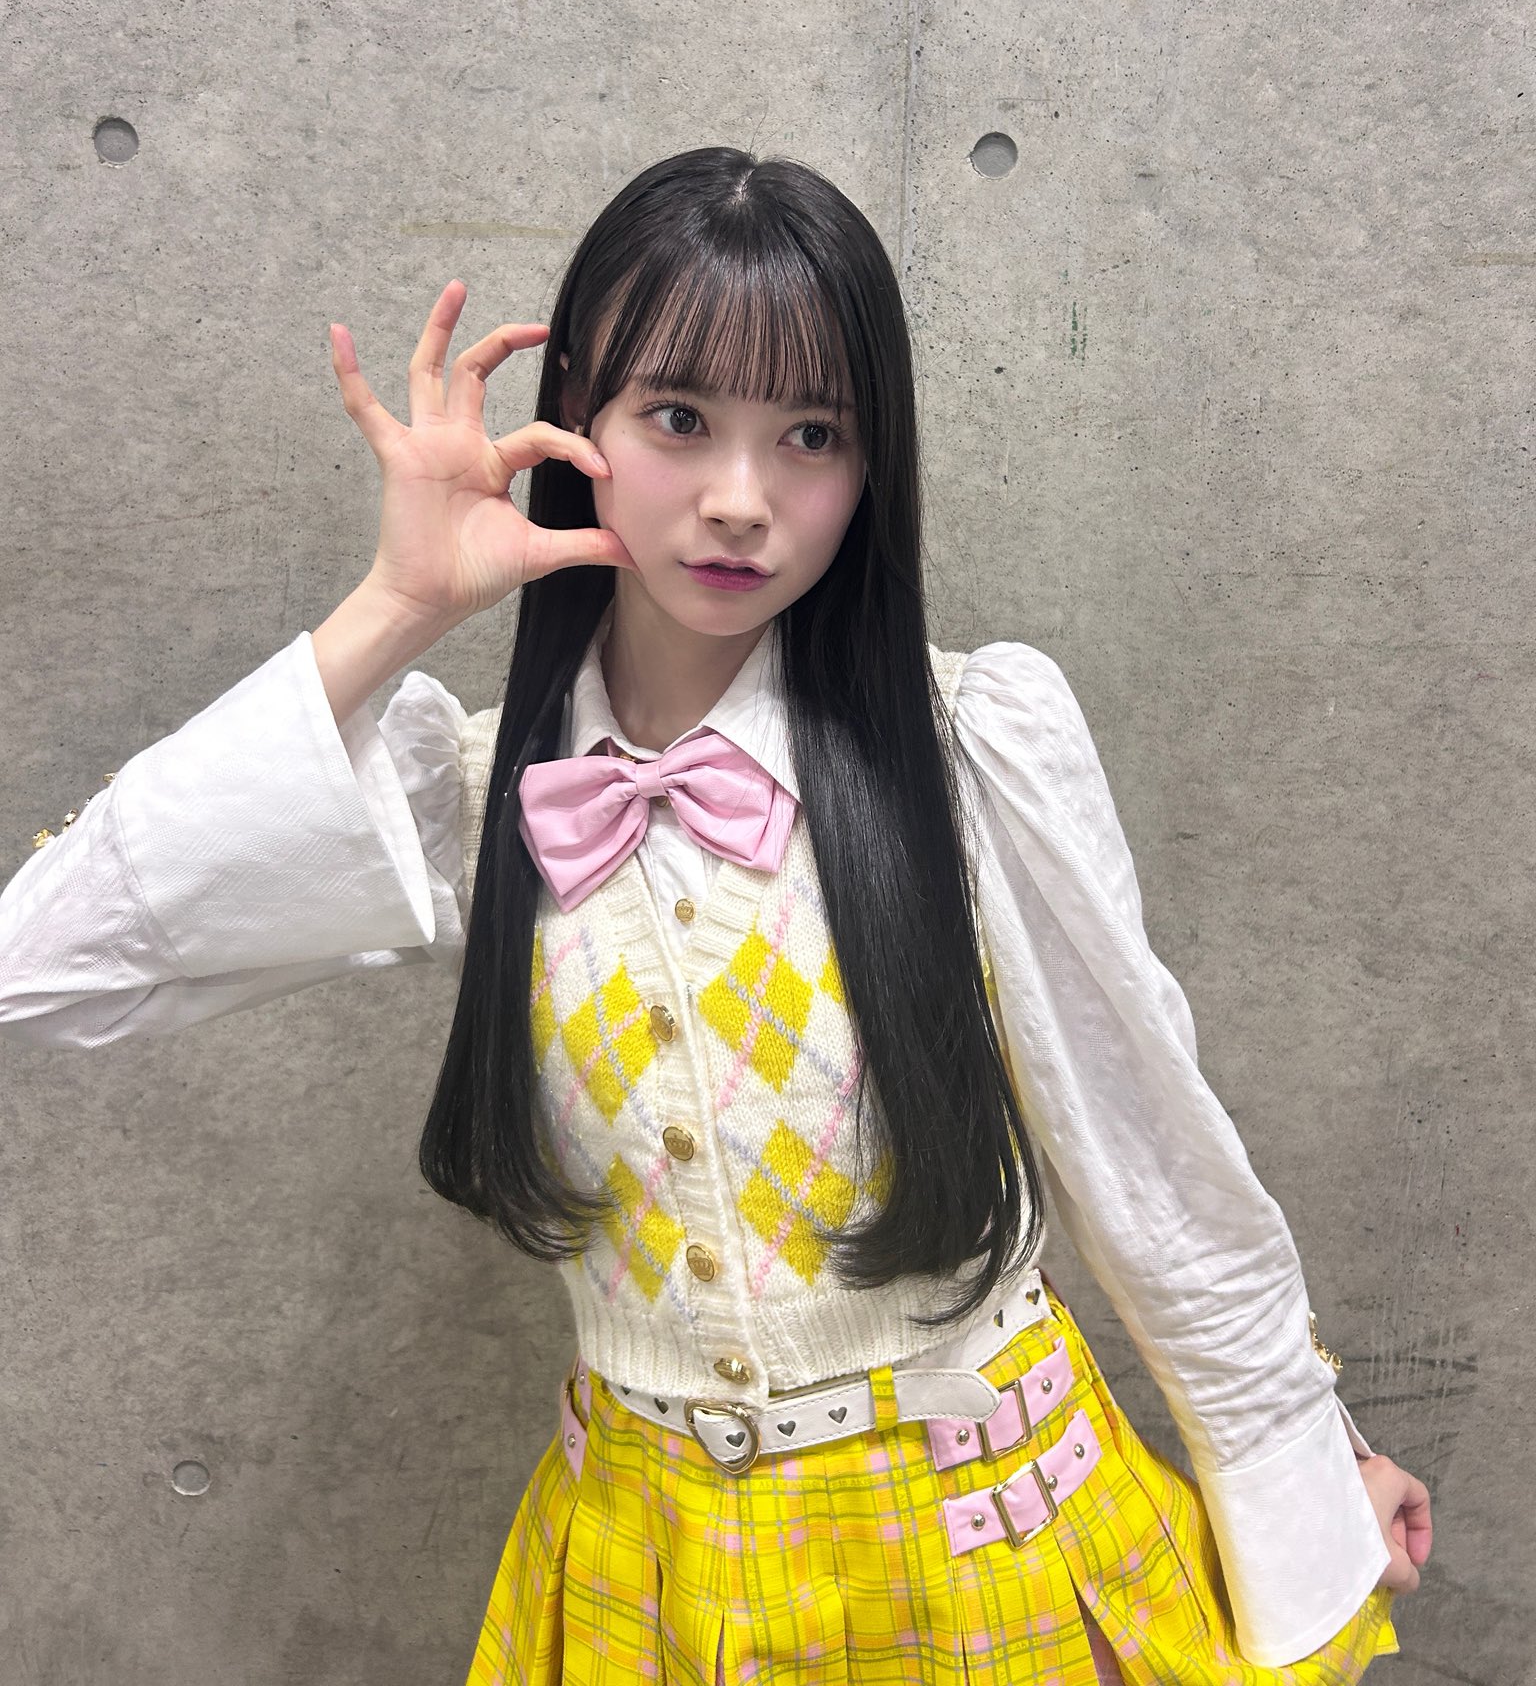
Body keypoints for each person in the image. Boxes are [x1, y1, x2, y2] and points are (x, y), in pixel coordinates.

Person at [0, 146, 1430, 1685]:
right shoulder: (474, 792)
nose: (743, 502)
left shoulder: (972, 745)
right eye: (679, 419)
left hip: (989, 1551)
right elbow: (45, 963)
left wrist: (1308, 1450)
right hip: (644, 1582)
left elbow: (1148, 1151)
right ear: (578, 427)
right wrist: (396, 608)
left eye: (812, 435)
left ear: (871, 466)